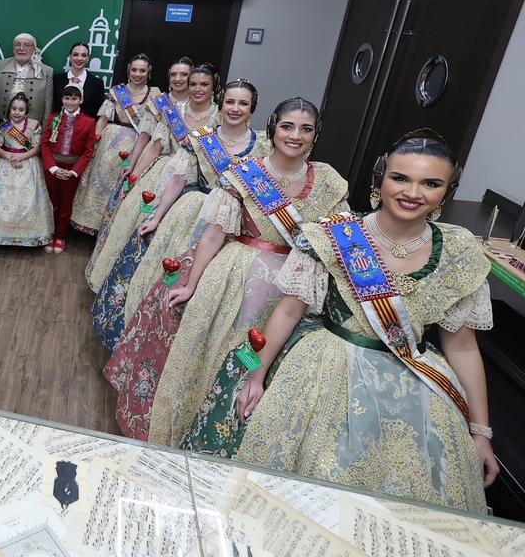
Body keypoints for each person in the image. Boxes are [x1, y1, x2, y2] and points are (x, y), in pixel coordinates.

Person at [185, 132, 497, 514]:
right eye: (401, 178)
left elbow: (462, 345)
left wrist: (480, 433)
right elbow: (286, 310)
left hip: (414, 390)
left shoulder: (459, 250)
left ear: (447, 191)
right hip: (322, 373)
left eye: (431, 183)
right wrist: (254, 374)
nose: (413, 192)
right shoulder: (336, 235)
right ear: (380, 179)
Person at [143, 97, 350, 448]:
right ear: (273, 128)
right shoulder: (244, 173)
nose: (295, 135)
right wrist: (192, 284)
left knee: (259, 366)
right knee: (213, 354)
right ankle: (182, 436)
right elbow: (214, 234)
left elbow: (335, 244)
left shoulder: (330, 183)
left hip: (293, 292)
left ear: (316, 135)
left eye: (306, 129)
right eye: (287, 126)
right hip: (236, 279)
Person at [99, 80, 269, 438]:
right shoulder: (203, 138)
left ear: (253, 109)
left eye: (244, 103)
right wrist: (158, 215)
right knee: (169, 292)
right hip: (196, 217)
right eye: (231, 102)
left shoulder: (264, 147)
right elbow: (178, 180)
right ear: (221, 104)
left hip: (242, 238)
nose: (236, 108)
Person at [90, 65, 225, 348]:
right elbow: (153, 145)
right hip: (165, 175)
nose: (197, 88)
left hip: (202, 193)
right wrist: (135, 173)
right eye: (193, 83)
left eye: (203, 84)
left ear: (214, 86)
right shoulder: (174, 111)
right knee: (138, 229)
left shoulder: (221, 117)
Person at [69, 53, 162, 235]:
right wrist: (95, 142)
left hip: (139, 144)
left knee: (123, 183)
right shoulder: (117, 91)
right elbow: (103, 119)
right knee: (101, 182)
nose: (138, 74)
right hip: (111, 144)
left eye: (142, 70)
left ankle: (113, 230)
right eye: (134, 70)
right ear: (129, 70)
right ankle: (92, 225)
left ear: (149, 72)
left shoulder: (155, 94)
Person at [0, 92, 53, 247]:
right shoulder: (3, 125)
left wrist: (22, 157)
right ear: (9, 110)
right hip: (6, 164)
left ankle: (31, 235)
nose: (16, 112)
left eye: (21, 110)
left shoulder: (34, 125)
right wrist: (9, 157)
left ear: (26, 111)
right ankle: (0, 234)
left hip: (28, 163)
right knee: (4, 200)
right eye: (14, 108)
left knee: (27, 199)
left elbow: (37, 147)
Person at [40, 85, 96, 254]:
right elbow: (44, 144)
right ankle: (50, 234)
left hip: (72, 169)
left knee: (66, 204)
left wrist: (73, 172)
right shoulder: (53, 117)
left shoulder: (89, 122)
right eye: (67, 98)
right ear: (62, 100)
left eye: (74, 99)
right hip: (53, 167)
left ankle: (60, 236)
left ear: (81, 100)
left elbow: (88, 151)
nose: (70, 102)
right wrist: (53, 168)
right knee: (52, 203)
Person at [0, 33, 54, 120]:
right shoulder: (0, 66)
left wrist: (44, 132)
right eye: (18, 44)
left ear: (34, 49)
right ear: (13, 48)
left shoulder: (46, 72)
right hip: (1, 125)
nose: (21, 48)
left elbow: (48, 106)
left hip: (31, 129)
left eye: (26, 45)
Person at [53, 42, 105, 118]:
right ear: (70, 57)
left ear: (87, 58)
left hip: (85, 128)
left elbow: (97, 112)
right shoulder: (56, 80)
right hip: (59, 126)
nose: (79, 58)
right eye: (75, 54)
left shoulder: (97, 83)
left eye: (84, 55)